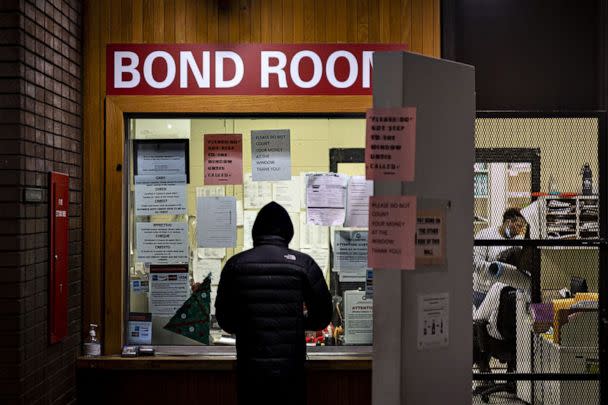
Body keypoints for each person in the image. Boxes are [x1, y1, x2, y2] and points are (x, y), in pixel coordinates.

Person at [215, 201, 333, 405]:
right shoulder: (304, 264)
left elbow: (225, 320)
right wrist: (298, 322)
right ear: (289, 231)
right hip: (291, 369)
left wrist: (246, 324)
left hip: (250, 369)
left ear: (255, 231)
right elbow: (322, 315)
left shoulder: (235, 264)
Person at [473, 208, 529, 309]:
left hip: (505, 292)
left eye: (522, 227)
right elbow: (475, 263)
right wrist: (497, 266)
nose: (519, 231)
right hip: (482, 292)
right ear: (508, 222)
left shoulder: (518, 241)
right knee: (480, 321)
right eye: (518, 226)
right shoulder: (485, 235)